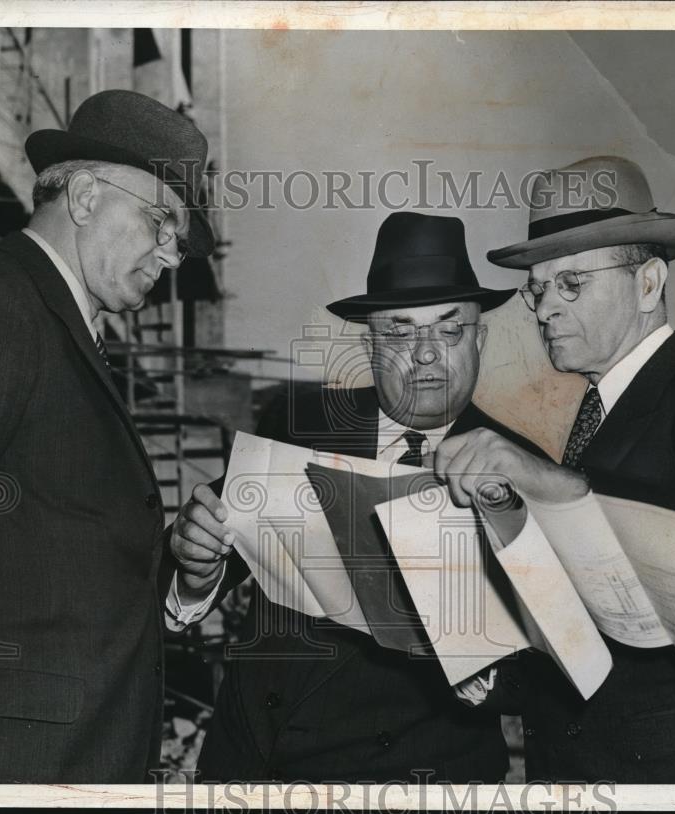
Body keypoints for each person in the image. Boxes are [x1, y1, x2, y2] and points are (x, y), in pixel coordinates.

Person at [432, 155, 675, 783]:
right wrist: (487, 671)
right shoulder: (584, 424)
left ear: (648, 283)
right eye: (537, 288)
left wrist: (551, 486)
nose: (544, 308)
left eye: (572, 283)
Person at [0, 89, 219, 783]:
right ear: (82, 196)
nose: (170, 257)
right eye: (159, 221)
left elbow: (53, 567)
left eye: (178, 240)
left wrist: (185, 574)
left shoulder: (62, 328)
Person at [168, 212, 546, 782]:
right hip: (268, 773)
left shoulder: (523, 469)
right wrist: (195, 573)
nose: (425, 353)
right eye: (399, 331)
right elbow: (204, 562)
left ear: (479, 337)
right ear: (368, 343)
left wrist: (478, 666)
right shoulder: (297, 429)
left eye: (448, 329)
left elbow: (556, 666)